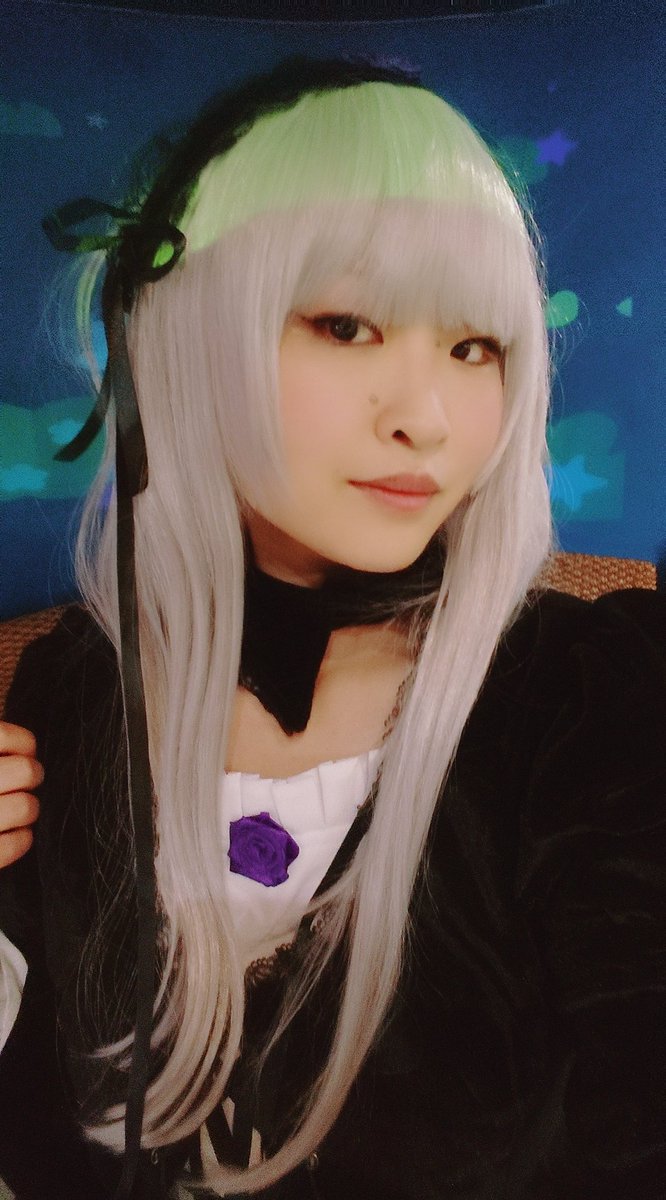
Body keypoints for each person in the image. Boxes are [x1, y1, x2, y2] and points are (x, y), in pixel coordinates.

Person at [0, 56, 664, 1200]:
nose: (426, 418)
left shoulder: (583, 700)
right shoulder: (76, 691)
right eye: (346, 325)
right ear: (186, 337)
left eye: (474, 348)